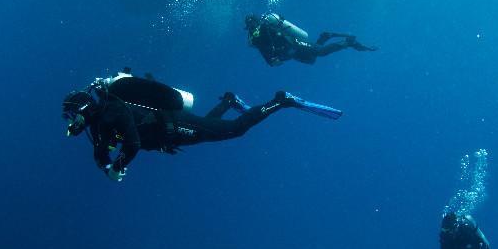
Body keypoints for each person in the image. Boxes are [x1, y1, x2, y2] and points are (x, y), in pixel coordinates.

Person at [62, 70, 341, 181]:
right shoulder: (99, 125)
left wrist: (118, 166)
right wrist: (106, 165)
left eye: (72, 115)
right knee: (209, 126)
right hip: (171, 136)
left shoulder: (111, 109)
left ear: (83, 108)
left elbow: (132, 143)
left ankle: (281, 101)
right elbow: (102, 150)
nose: (72, 122)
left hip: (175, 126)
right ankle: (229, 100)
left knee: (236, 129)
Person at [245, 12, 377, 66]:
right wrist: (272, 60)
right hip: (289, 53)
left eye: (253, 24)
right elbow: (266, 54)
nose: (252, 27)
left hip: (294, 44)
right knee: (311, 60)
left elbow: (277, 38)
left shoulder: (265, 27)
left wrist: (274, 59)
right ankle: (324, 37)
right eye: (250, 26)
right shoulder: (255, 40)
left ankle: (347, 42)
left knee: (322, 52)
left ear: (257, 22)